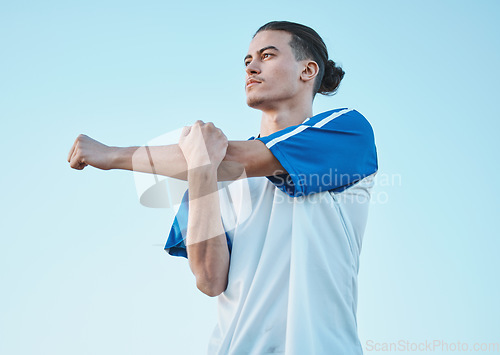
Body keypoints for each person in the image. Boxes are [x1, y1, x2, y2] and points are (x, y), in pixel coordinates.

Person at [67, 21, 378, 354]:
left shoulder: (346, 130)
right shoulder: (207, 167)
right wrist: (201, 171)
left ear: (308, 70)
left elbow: (241, 157)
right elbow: (210, 279)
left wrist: (111, 154)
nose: (252, 67)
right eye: (247, 61)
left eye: (267, 55)